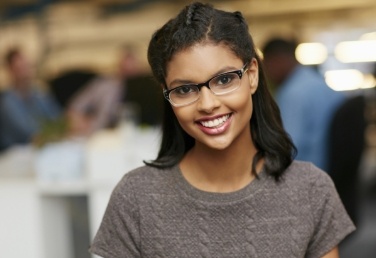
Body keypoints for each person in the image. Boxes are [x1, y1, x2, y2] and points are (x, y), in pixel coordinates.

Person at [89, 2, 355, 257]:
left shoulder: (310, 190)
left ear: (252, 75)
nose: (208, 104)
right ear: (167, 95)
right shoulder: (136, 197)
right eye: (184, 89)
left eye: (225, 79)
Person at [262, 38, 346, 171]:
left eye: (266, 65)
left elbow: (287, 150)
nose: (266, 73)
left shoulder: (293, 93)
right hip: (333, 171)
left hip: (310, 174)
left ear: (278, 61)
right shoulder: (316, 82)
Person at [66, 45, 142, 137]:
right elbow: (75, 106)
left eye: (132, 70)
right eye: (125, 68)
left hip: (137, 135)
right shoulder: (104, 85)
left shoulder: (148, 88)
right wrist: (82, 122)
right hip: (100, 135)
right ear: (118, 65)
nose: (128, 73)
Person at [0, 47, 61, 152]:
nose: (25, 72)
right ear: (11, 70)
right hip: (16, 153)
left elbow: (57, 117)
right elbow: (28, 132)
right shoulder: (8, 102)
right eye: (20, 68)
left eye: (26, 66)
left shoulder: (38, 94)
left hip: (39, 148)